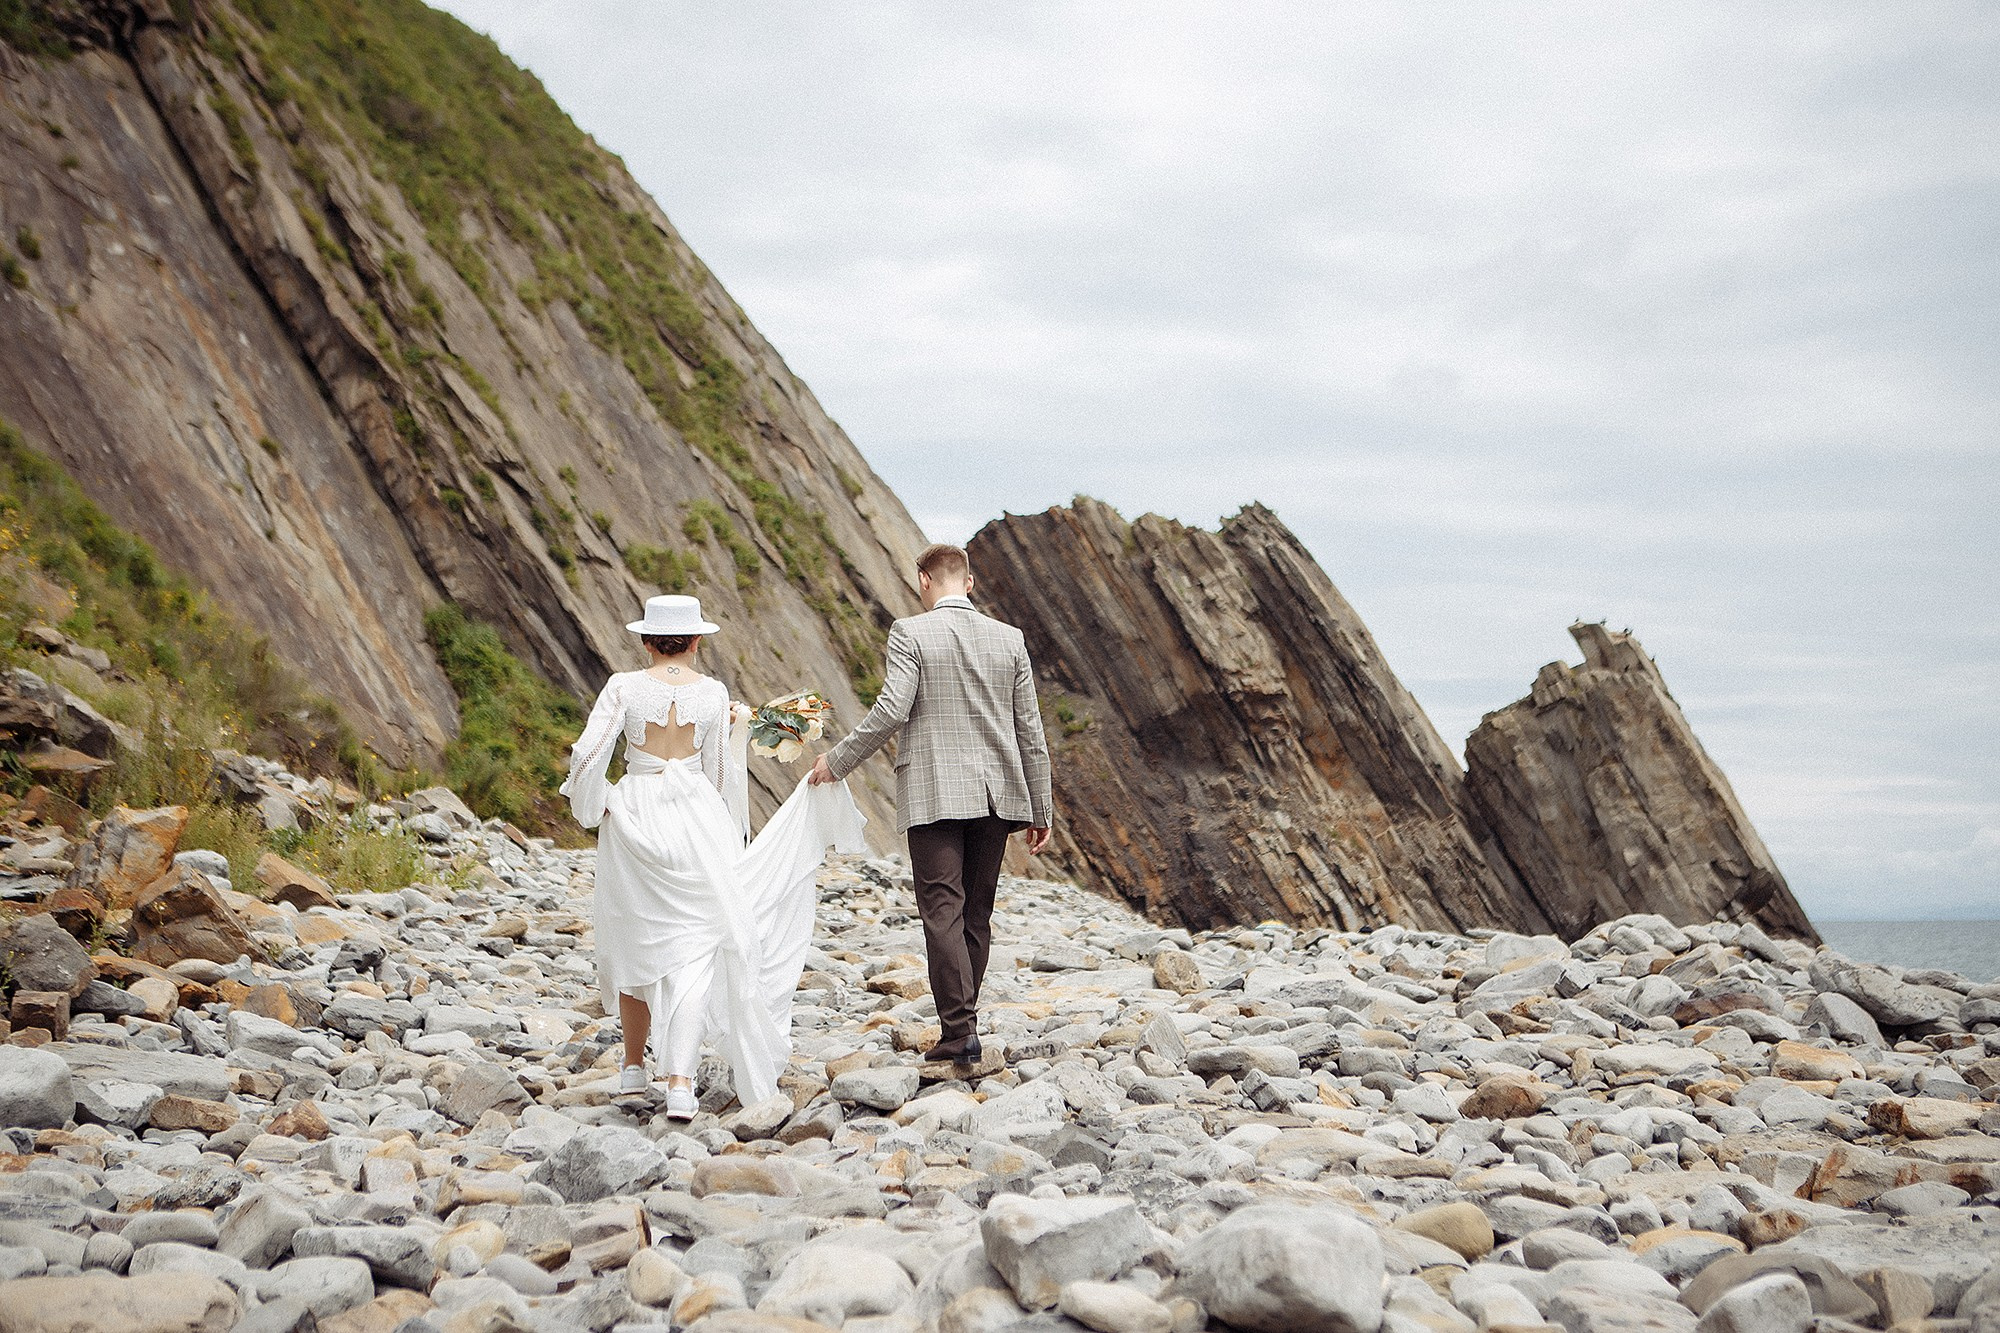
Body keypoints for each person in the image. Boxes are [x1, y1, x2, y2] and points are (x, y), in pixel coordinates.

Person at [561, 594, 866, 1117]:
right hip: (697, 820)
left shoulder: (623, 687)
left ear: (646, 640)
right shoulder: (712, 693)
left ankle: (633, 1068)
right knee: (696, 945)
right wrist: (727, 827)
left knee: (635, 938)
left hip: (636, 815)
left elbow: (588, 752)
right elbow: (720, 773)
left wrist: (599, 801)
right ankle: (680, 1083)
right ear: (698, 642)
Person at [808, 543, 1053, 1065]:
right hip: (998, 796)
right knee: (976, 914)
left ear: (924, 580)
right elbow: (1030, 730)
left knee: (943, 909)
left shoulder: (910, 632)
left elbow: (892, 709)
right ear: (969, 582)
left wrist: (839, 760)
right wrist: (1041, 808)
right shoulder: (1010, 639)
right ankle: (964, 1025)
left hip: (935, 791)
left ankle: (959, 1032)